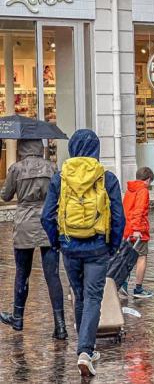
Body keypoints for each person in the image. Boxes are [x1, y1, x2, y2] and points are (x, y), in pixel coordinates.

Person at [41, 129, 125, 378]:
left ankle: (84, 348)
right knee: (92, 298)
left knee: (79, 295)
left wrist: (57, 242)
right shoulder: (107, 178)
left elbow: (46, 216)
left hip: (70, 246)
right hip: (98, 246)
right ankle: (85, 350)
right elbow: (119, 217)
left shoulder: (60, 177)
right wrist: (113, 245)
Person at [0, 139, 66, 340]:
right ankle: (60, 325)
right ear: (40, 147)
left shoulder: (16, 169)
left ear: (21, 148)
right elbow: (60, 194)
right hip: (48, 224)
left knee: (22, 273)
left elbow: (6, 195)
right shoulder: (52, 167)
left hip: (24, 226)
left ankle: (18, 317)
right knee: (52, 276)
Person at [120, 166, 154, 299]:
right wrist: (137, 229)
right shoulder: (143, 191)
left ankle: (123, 283)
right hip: (138, 230)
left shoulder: (130, 189)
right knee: (142, 257)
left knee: (127, 257)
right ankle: (138, 289)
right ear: (148, 179)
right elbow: (139, 211)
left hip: (127, 229)